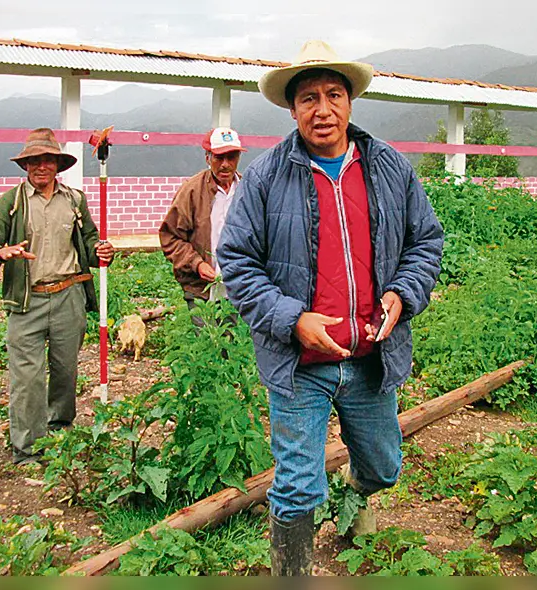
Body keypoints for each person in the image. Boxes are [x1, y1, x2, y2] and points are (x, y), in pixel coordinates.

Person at [218, 40, 444, 575]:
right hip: (299, 365)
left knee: (385, 468)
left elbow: (425, 241)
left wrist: (402, 293)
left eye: (334, 95)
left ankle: (355, 493)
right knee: (297, 488)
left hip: (369, 356)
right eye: (309, 98)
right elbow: (236, 259)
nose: (323, 109)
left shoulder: (388, 168)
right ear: (292, 109)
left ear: (350, 102)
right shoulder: (268, 176)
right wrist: (292, 319)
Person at [0, 128, 115, 466]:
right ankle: (27, 449)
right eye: (34, 161)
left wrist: (101, 250)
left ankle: (60, 432)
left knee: (65, 372)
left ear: (57, 164)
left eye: (47, 160)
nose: (41, 167)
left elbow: (91, 242)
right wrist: (1, 252)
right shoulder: (12, 203)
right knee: (27, 378)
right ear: (25, 165)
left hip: (69, 296)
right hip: (27, 302)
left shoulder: (74, 201)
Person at [159, 127, 246, 308]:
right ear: (208, 158)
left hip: (239, 288)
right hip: (200, 289)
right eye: (218, 157)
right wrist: (196, 263)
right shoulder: (191, 191)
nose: (225, 164)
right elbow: (170, 237)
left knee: (236, 335)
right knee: (205, 335)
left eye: (231, 157)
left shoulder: (248, 190)